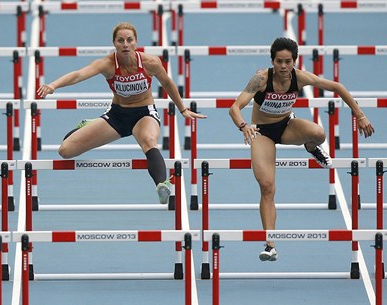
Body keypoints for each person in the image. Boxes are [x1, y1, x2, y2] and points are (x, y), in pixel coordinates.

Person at [229, 37, 375, 261]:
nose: (284, 67)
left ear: (294, 61)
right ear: (272, 61)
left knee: (319, 133)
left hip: (287, 126)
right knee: (267, 187)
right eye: (279, 61)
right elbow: (235, 107)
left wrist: (360, 115)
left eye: (288, 61)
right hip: (262, 133)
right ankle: (270, 244)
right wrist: (243, 126)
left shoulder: (300, 78)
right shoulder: (260, 80)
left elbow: (337, 87)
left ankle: (311, 146)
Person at [37, 22, 206, 204]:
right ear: (114, 44)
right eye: (120, 41)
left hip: (144, 114)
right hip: (116, 116)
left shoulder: (150, 62)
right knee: (65, 151)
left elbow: (167, 83)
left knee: (149, 140)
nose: (125, 44)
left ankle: (162, 184)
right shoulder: (107, 64)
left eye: (129, 40)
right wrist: (53, 85)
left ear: (136, 42)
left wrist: (182, 109)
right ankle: (90, 124)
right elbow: (79, 74)